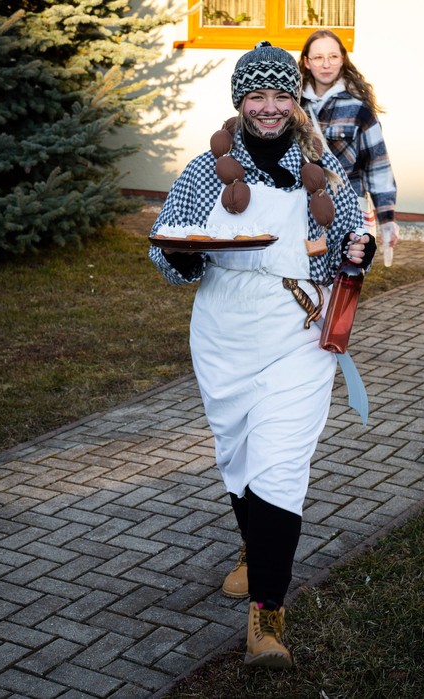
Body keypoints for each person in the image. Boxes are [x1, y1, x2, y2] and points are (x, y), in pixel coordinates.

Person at [149, 41, 376, 669]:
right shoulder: (205, 170)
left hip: (296, 333)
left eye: (281, 94)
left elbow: (347, 241)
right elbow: (166, 247)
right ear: (240, 101)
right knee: (239, 453)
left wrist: (357, 254)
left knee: (280, 465)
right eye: (257, 95)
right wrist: (181, 256)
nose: (270, 107)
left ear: (294, 99)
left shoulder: (322, 167)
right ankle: (254, 547)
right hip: (223, 332)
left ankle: (266, 621)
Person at [299, 29, 399, 254]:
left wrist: (387, 219)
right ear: (306, 62)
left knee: (346, 273)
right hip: (302, 211)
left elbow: (377, 165)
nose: (326, 64)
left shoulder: (358, 108)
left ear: (343, 59)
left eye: (333, 56)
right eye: (318, 57)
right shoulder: (293, 106)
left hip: (348, 210)